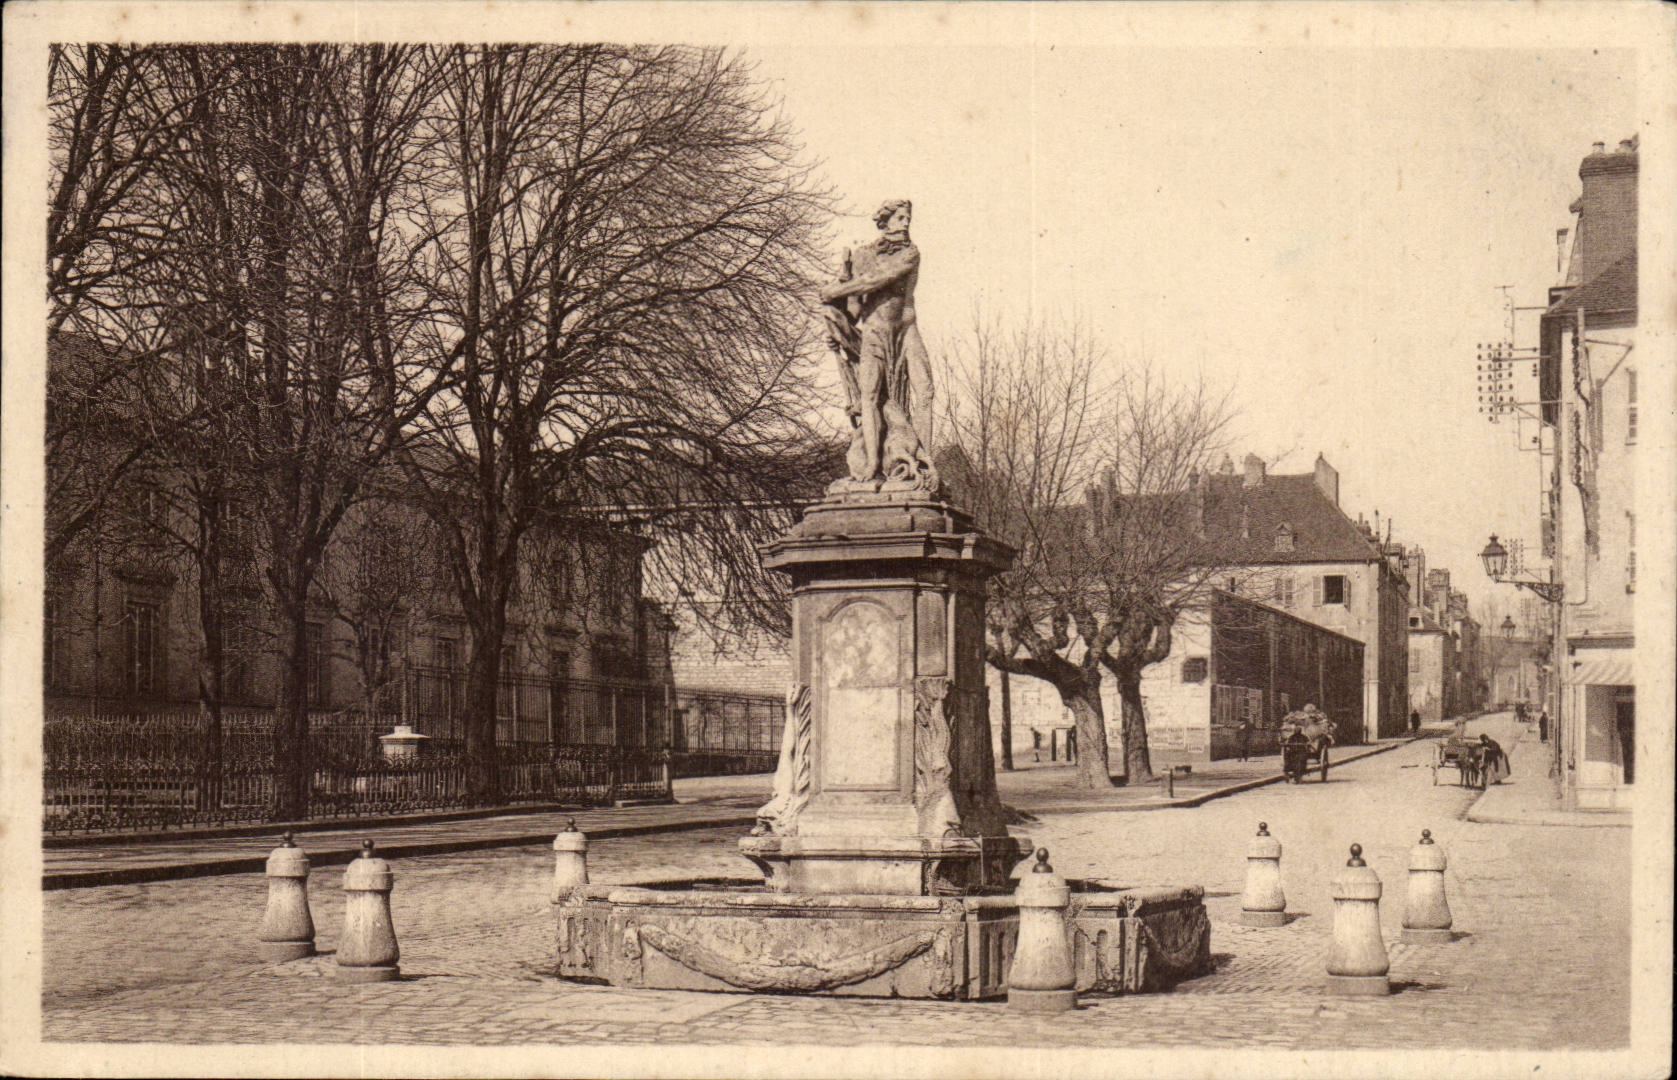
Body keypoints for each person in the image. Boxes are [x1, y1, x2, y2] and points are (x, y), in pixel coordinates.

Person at [820, 199, 936, 489]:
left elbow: (878, 280)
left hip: (905, 328)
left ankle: (922, 461)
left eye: (907, 217)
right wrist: (839, 321)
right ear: (884, 222)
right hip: (873, 332)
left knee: (925, 391)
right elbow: (855, 311)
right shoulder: (863, 255)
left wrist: (837, 288)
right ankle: (872, 463)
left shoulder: (910, 253)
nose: (905, 223)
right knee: (869, 395)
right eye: (899, 218)